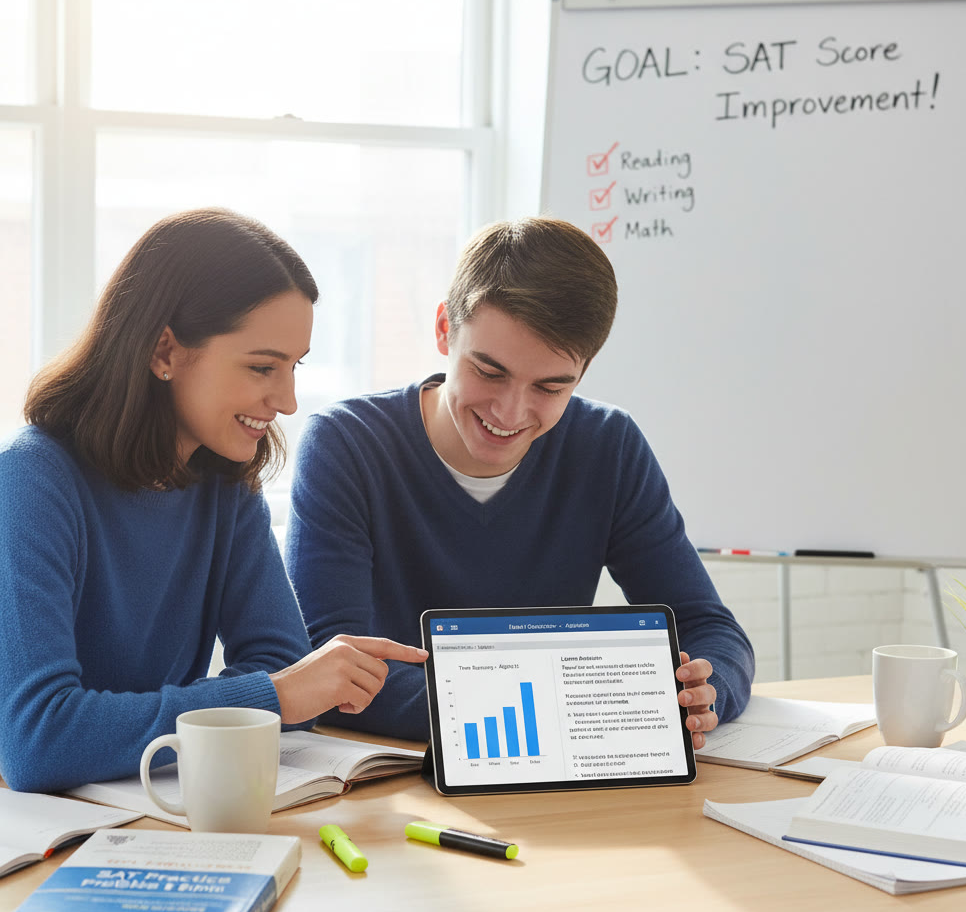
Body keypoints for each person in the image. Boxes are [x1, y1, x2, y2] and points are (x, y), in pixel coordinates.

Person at [0, 207, 426, 794]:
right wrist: (267, 697)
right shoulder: (32, 479)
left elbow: (279, 664)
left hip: (153, 806)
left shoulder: (225, 481)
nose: (288, 400)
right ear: (164, 352)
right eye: (262, 367)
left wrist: (273, 692)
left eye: (294, 367)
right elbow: (39, 740)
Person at [286, 216, 755, 746]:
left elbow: (711, 630)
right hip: (397, 780)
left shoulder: (609, 446)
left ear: (584, 372)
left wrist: (703, 694)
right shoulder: (346, 444)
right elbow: (325, 666)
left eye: (551, 387)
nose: (510, 412)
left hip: (558, 773)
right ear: (444, 329)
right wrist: (566, 710)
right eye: (489, 372)